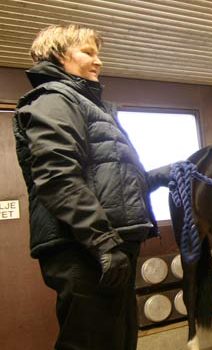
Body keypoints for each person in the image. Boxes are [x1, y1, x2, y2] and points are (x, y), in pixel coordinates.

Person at [12, 24, 170, 350]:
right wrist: (103, 244)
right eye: (88, 52)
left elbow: (114, 183)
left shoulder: (92, 108)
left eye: (98, 53)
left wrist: (161, 175)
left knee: (119, 341)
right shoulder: (53, 100)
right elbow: (58, 178)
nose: (99, 62)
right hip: (84, 247)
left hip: (108, 243)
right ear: (58, 54)